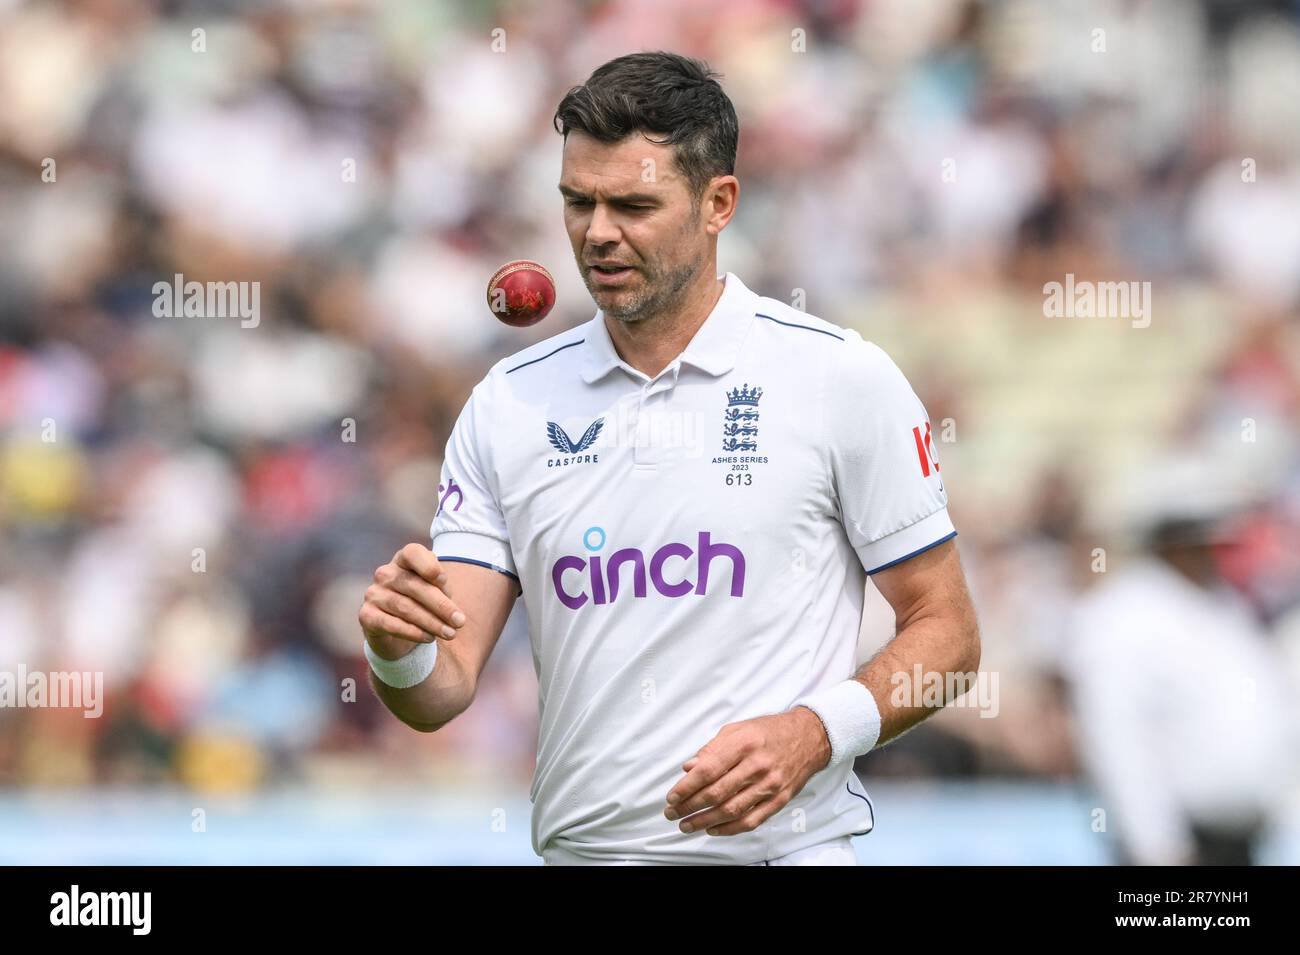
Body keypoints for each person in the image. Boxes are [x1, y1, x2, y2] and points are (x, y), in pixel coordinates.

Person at [358, 51, 980, 865]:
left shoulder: (837, 377)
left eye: (634, 204)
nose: (598, 232)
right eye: (577, 202)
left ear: (719, 202)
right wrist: (394, 648)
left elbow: (952, 636)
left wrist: (814, 732)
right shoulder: (509, 403)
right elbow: (440, 693)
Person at [1066, 452, 1299, 865]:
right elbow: (1119, 741)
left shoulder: (1223, 606)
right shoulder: (1122, 616)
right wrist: (1156, 846)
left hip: (1242, 844)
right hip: (1180, 849)